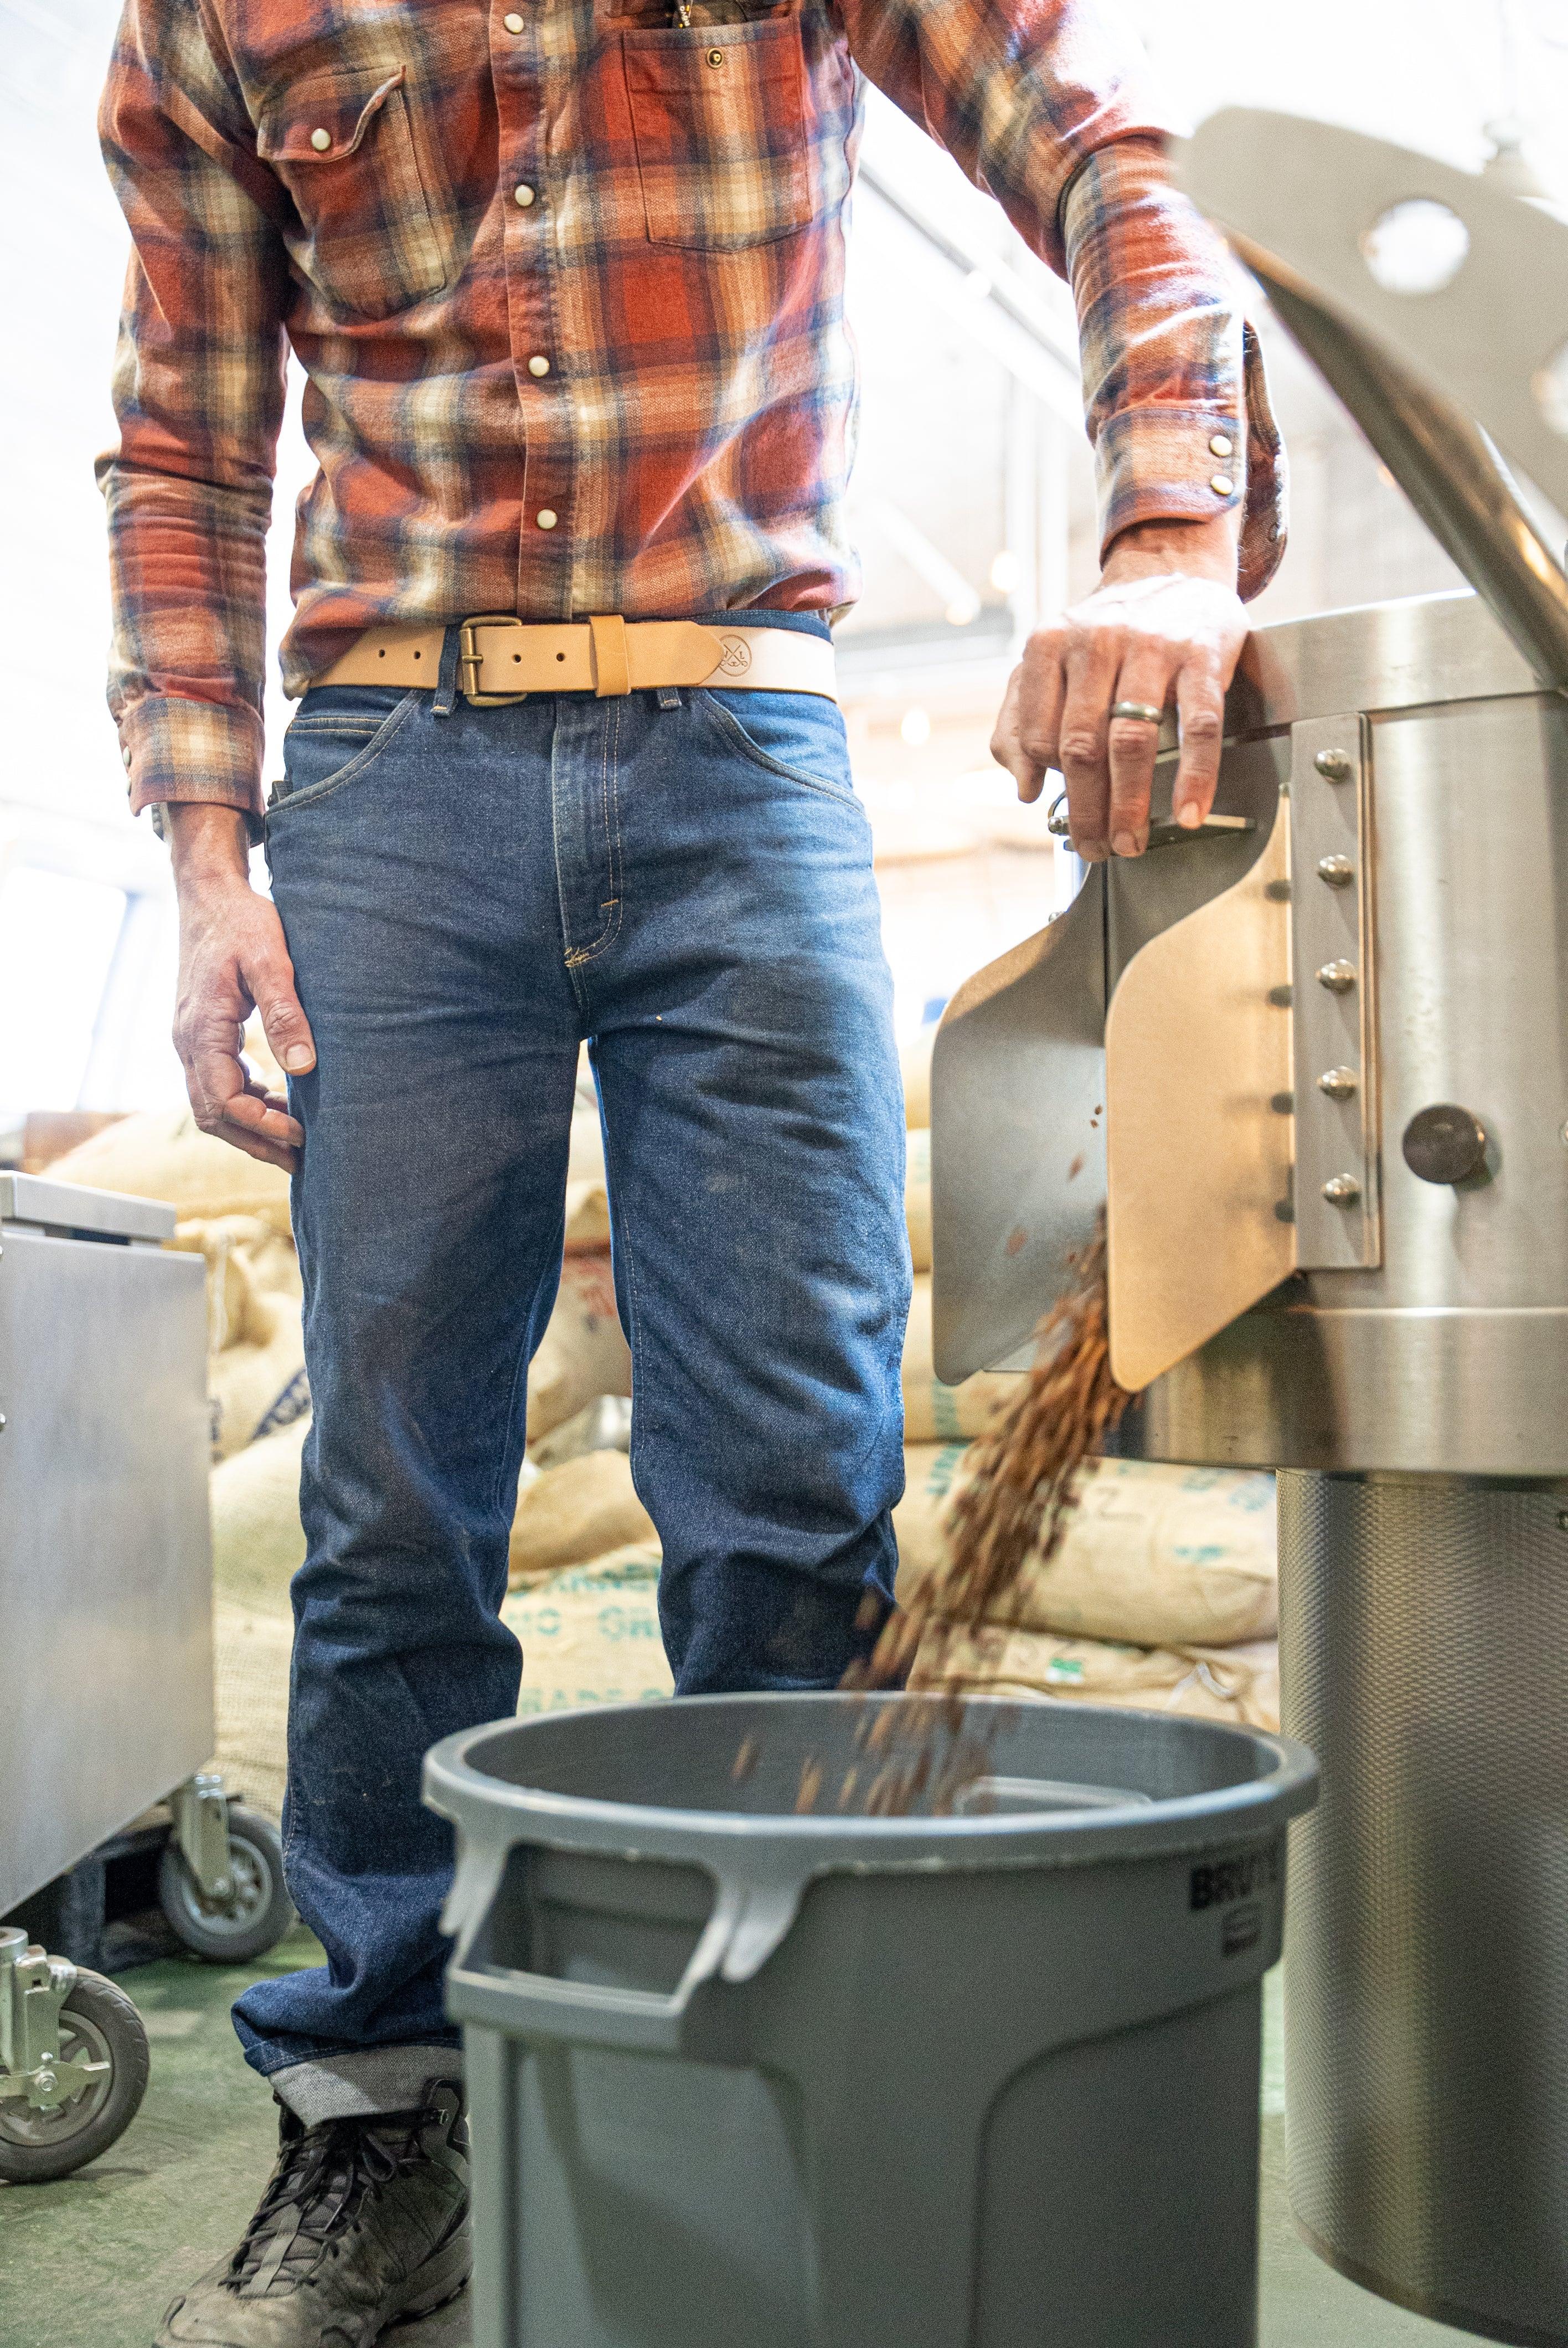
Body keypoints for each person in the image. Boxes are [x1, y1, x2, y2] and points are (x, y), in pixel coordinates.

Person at [99, 0, 1284, 2335]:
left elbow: (1108, 166)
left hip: (744, 750)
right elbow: (183, 442)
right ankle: (379, 2130)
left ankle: (791, 2092)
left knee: (789, 1489)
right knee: (395, 1502)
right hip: (380, 785)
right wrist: (205, 849)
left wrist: (1173, 538)